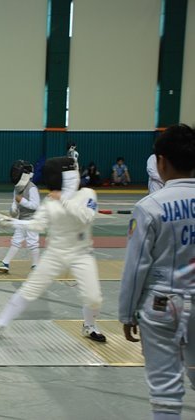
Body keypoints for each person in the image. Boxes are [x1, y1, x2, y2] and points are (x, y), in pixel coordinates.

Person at [0, 156, 106, 343]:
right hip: (56, 253)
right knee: (29, 289)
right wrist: (12, 222)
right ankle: (0, 322)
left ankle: (89, 326)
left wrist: (63, 200)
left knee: (94, 297)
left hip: (81, 254)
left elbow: (86, 217)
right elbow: (38, 224)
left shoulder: (88, 194)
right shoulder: (50, 200)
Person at [118, 123, 195, 420]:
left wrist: (126, 314)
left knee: (166, 393)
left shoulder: (150, 206)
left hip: (162, 305)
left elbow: (137, 266)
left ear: (161, 161)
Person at [0, 160, 40, 273]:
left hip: (32, 220)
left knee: (32, 242)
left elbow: (36, 206)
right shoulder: (17, 188)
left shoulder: (32, 188)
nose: (15, 175)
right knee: (16, 241)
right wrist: (13, 209)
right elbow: (14, 204)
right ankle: (5, 263)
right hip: (21, 219)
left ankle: (36, 265)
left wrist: (22, 201)